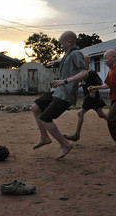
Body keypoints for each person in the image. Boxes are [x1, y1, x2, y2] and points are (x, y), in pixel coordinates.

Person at [30, 31, 88, 160]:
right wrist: (60, 81)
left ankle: (65, 145)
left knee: (45, 118)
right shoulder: (67, 55)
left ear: (69, 42)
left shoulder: (76, 53)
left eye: (61, 43)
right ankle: (44, 137)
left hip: (65, 95)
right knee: (35, 107)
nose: (60, 46)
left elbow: (85, 72)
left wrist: (65, 81)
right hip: (58, 91)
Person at [63, 55, 107, 142]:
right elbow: (83, 83)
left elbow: (100, 84)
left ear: (88, 62)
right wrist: (78, 85)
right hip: (89, 97)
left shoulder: (92, 73)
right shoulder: (83, 74)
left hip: (93, 97)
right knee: (101, 115)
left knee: (81, 113)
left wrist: (94, 89)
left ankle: (76, 135)